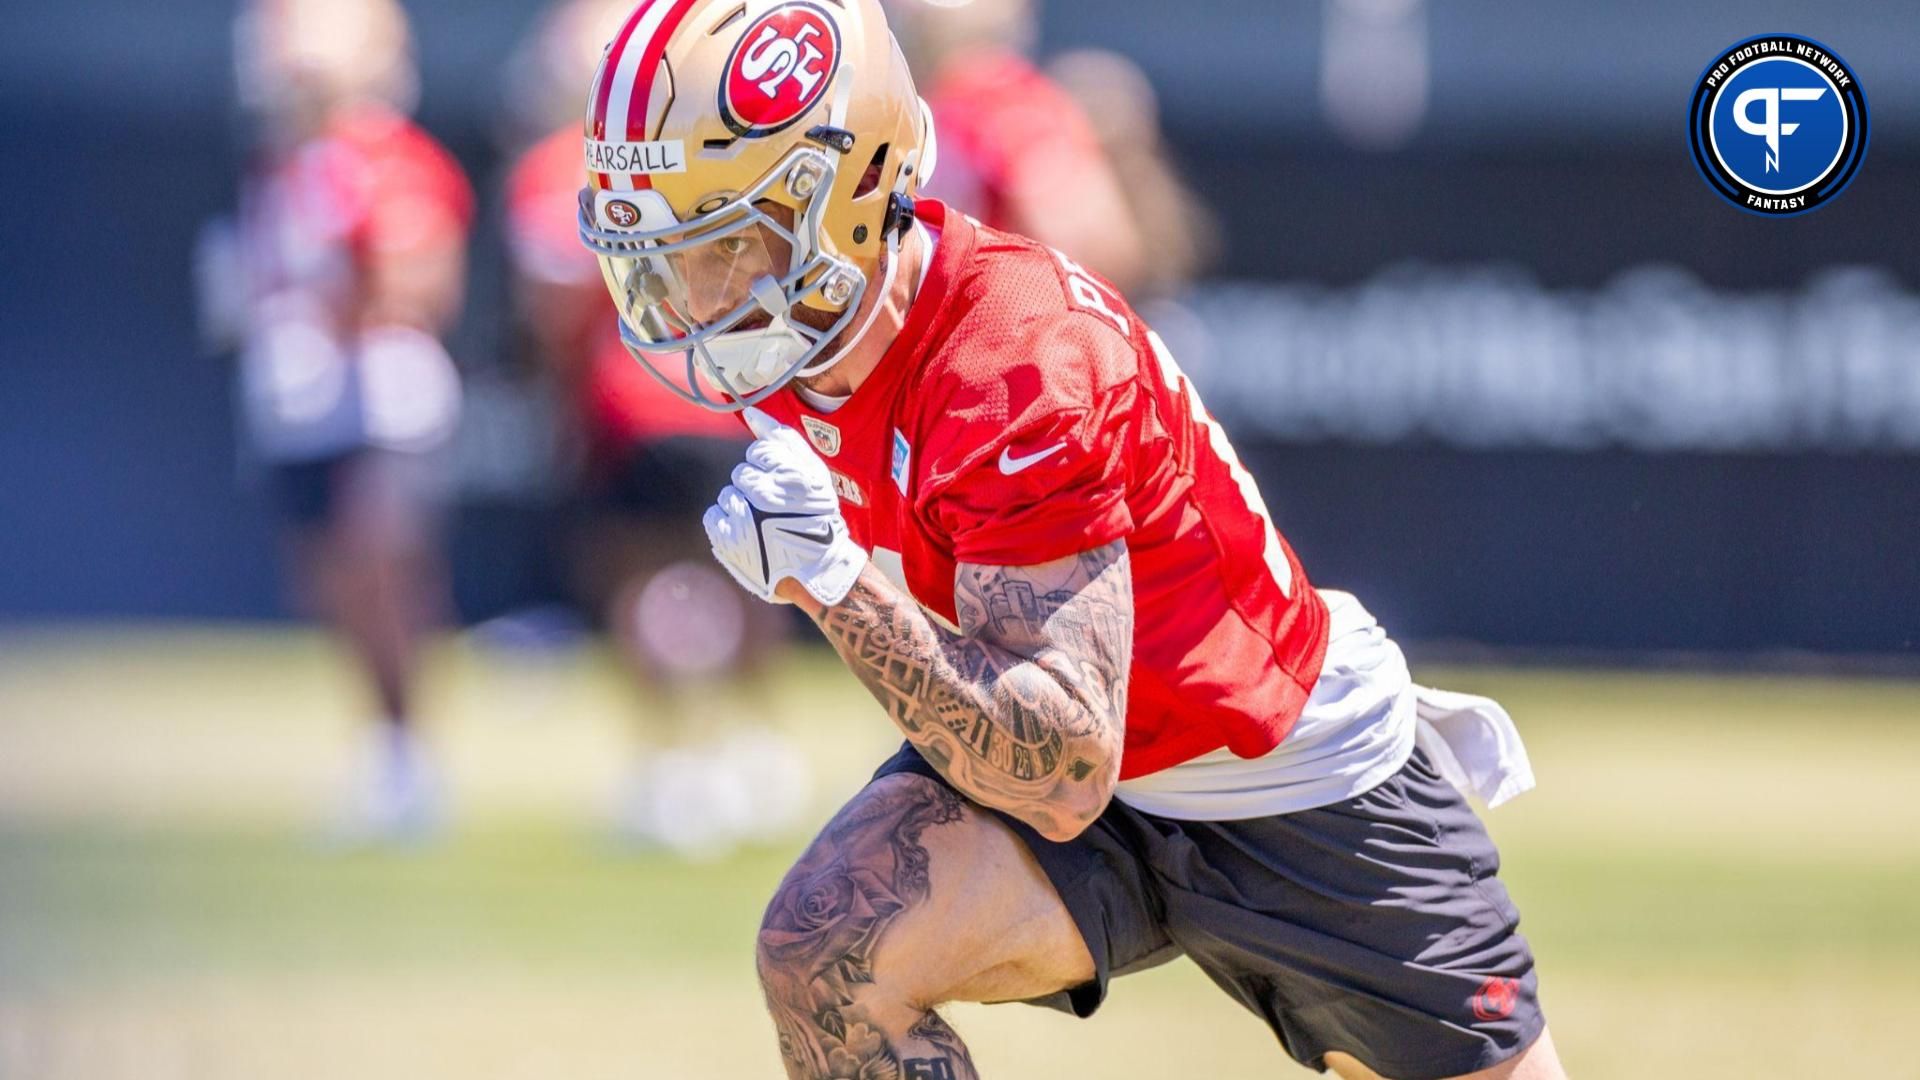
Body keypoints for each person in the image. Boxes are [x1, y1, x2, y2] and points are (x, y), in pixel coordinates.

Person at [573, 1, 1568, 1076]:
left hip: (1278, 779)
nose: (694, 298)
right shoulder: (814, 335)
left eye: (727, 245)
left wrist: (835, 583)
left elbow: (1062, 767)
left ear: (852, 194)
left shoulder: (1014, 354)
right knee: (826, 958)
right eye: (668, 256)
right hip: (1074, 758)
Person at [500, 0, 809, 854]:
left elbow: (557, 304)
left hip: (632, 403)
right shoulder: (709, 148)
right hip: (730, 389)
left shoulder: (555, 166)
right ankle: (755, 751)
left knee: (639, 579)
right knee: (757, 571)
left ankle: (675, 764)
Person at [209, 0, 472, 839]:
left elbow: (422, 281)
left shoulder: (385, 159)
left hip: (382, 402)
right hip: (299, 407)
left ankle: (410, 756)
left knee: (381, 570)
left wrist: (347, 295)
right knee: (328, 582)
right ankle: (379, 748)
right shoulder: (276, 169)